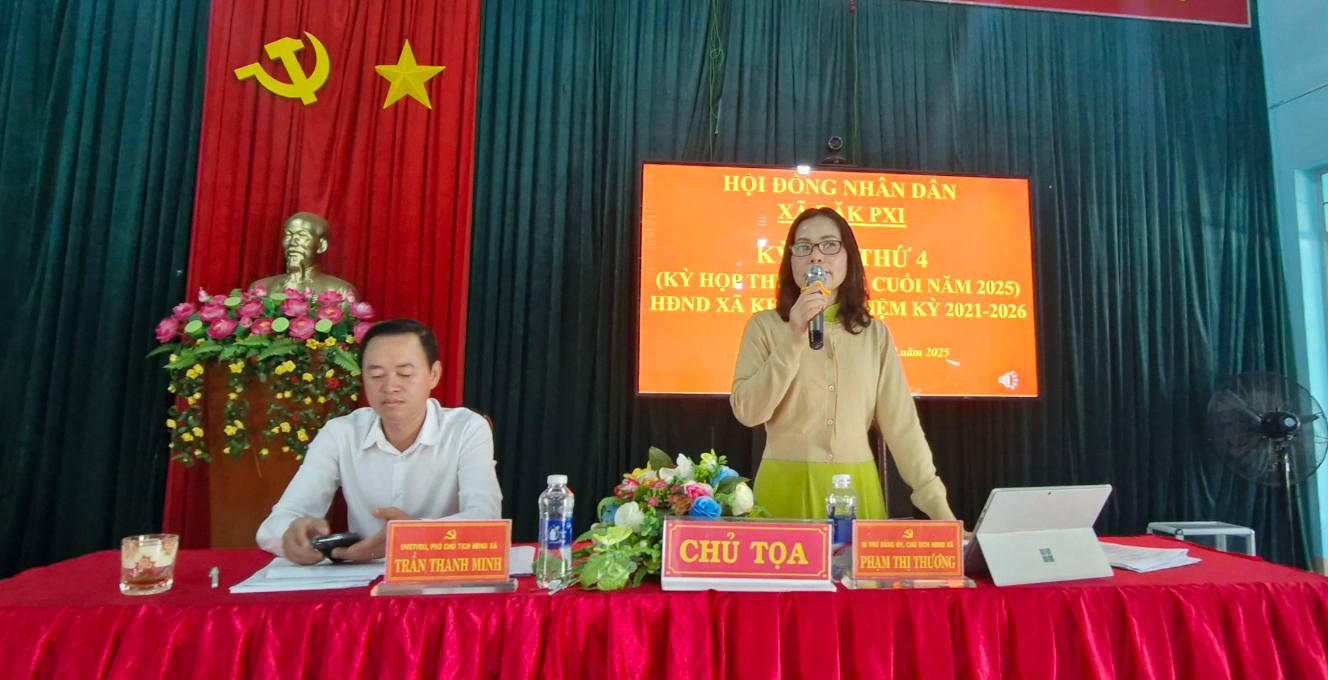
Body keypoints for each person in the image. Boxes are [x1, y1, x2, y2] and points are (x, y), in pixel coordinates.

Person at [730, 207, 957, 522]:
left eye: (829, 245)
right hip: (784, 489)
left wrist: (942, 514)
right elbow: (748, 412)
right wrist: (794, 339)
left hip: (855, 488)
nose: (816, 256)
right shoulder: (765, 326)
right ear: (790, 261)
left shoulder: (873, 334)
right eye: (803, 247)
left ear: (849, 256)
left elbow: (902, 428)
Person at [256, 319, 502, 563]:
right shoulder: (340, 433)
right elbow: (278, 520)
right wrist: (290, 537)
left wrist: (413, 535)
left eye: (405, 374)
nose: (390, 386)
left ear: (433, 375)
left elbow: (486, 518)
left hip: (439, 570)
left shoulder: (466, 429)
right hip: (360, 573)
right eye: (376, 375)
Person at [251, 212, 356, 295]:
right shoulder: (260, 288)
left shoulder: (341, 291)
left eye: (302, 236)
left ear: (321, 246)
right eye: (289, 235)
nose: (293, 242)